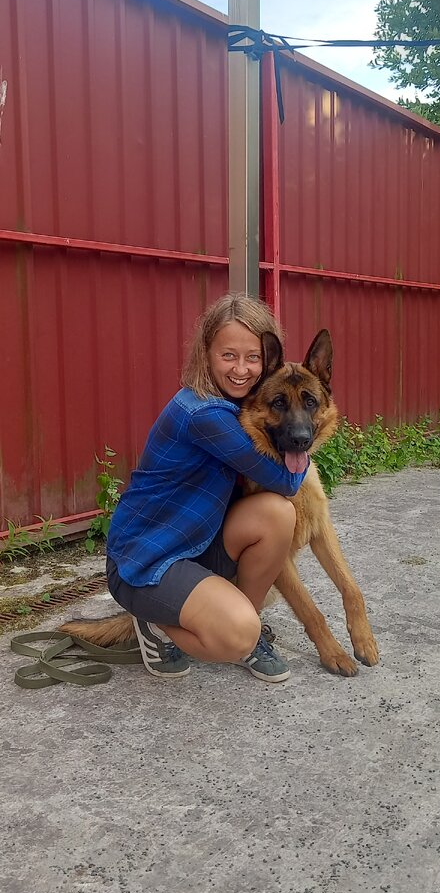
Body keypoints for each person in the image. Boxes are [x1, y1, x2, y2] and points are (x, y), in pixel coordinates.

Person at [105, 293, 309, 684]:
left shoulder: (241, 407)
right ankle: (154, 623)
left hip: (197, 542)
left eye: (253, 357)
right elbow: (287, 478)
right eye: (228, 355)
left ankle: (246, 629)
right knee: (236, 633)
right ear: (206, 353)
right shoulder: (204, 414)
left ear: (269, 359)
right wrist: (302, 430)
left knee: (277, 514)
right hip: (146, 559)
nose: (241, 369)